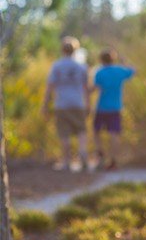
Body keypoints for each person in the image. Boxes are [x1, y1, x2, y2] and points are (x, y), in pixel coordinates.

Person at [42, 36, 90, 171]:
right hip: (78, 102)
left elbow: (50, 87)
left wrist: (45, 104)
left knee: (65, 133)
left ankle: (67, 162)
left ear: (62, 49)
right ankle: (83, 153)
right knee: (81, 130)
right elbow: (86, 87)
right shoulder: (81, 66)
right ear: (75, 50)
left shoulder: (57, 65)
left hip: (62, 104)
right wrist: (88, 104)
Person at [91, 48, 135, 171]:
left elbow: (94, 88)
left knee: (96, 131)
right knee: (114, 134)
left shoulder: (99, 72)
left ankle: (100, 154)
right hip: (115, 107)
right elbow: (133, 70)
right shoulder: (120, 71)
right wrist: (124, 60)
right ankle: (114, 160)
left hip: (102, 107)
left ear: (101, 60)